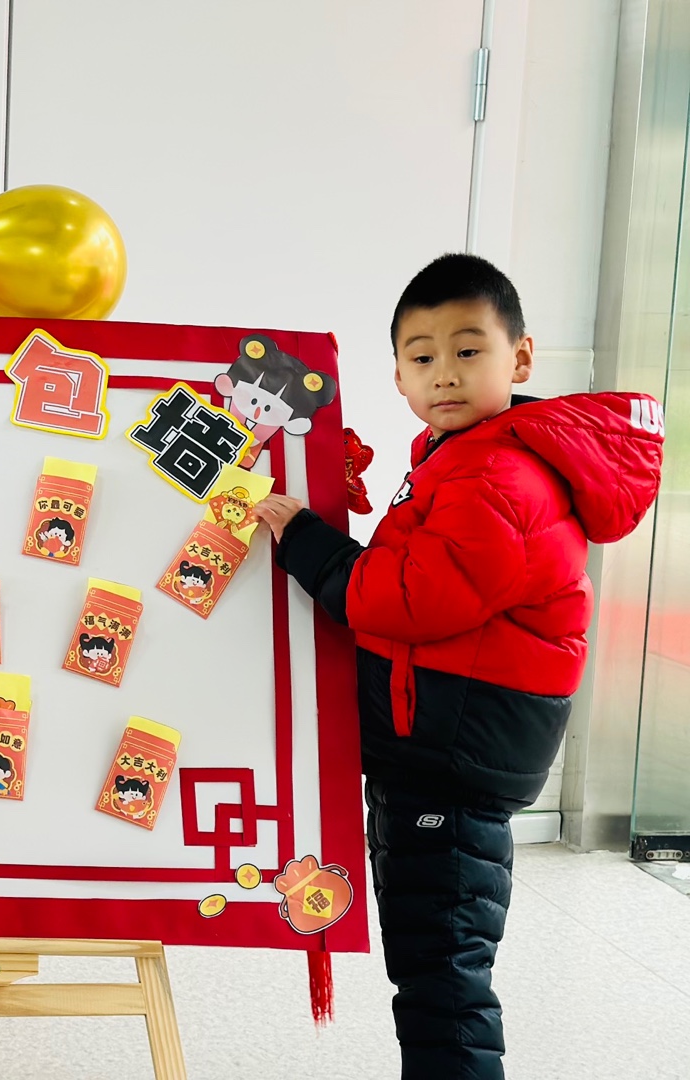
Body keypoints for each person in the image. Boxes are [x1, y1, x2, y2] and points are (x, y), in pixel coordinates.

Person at [254, 253, 663, 1080]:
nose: (444, 372)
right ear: (399, 376)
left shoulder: (497, 472)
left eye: (469, 350)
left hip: (451, 758)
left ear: (521, 358)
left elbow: (412, 600)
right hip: (441, 749)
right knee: (432, 965)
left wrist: (307, 542)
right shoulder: (460, 454)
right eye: (423, 355)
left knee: (442, 976)